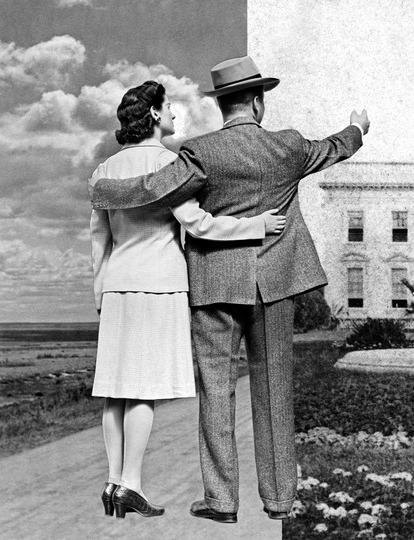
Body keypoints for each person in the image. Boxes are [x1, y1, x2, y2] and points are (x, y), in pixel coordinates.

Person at [90, 56, 369, 522]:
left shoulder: (200, 153)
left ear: (223, 106)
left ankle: (221, 501)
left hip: (214, 284)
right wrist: (358, 128)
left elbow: (154, 190)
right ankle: (279, 500)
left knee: (216, 394)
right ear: (258, 101)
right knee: (274, 390)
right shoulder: (291, 146)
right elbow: (335, 147)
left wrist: (102, 192)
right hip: (277, 283)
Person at [90, 80, 287, 519]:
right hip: (159, 284)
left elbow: (98, 241)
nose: (176, 114)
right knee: (144, 387)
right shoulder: (170, 164)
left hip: (119, 284)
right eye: (170, 107)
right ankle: (131, 485)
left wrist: (101, 290)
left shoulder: (104, 170)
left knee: (116, 391)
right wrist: (255, 225)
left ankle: (111, 482)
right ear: (155, 115)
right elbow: (198, 224)